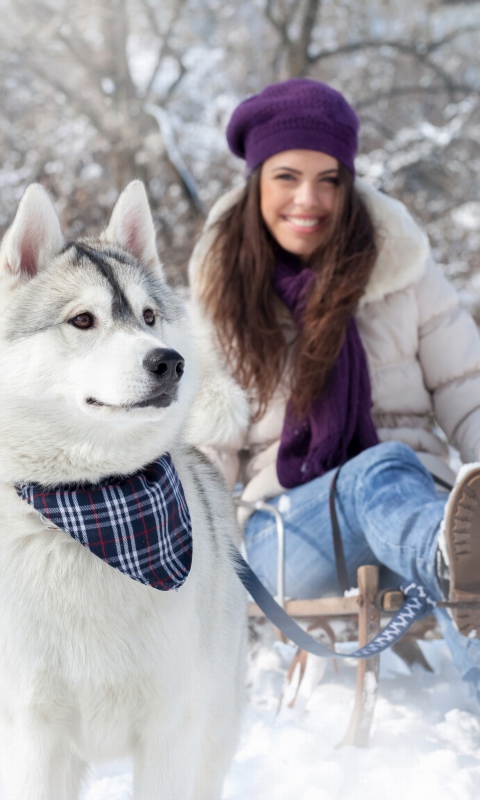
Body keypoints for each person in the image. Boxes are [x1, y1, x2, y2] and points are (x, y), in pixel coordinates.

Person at [188, 78, 480, 696]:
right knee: (391, 472)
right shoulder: (221, 302)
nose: (309, 198)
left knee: (460, 554)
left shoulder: (406, 273)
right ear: (257, 183)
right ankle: (446, 557)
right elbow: (203, 459)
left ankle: (450, 562)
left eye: (330, 179)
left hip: (422, 511)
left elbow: (470, 390)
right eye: (288, 176)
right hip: (291, 537)